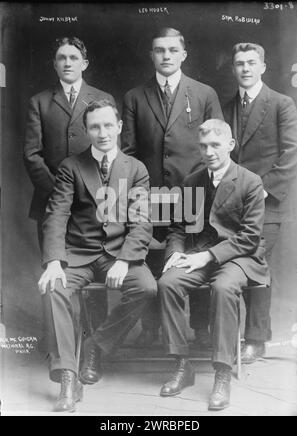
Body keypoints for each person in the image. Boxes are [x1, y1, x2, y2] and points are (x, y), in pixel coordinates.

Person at [38, 100, 157, 412]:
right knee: (54, 288)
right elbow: (57, 215)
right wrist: (53, 262)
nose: (102, 133)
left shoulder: (136, 169)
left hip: (118, 254)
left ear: (118, 127)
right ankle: (68, 377)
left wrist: (124, 259)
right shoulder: (71, 166)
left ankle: (96, 346)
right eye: (95, 127)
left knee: (146, 288)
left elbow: (142, 220)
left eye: (108, 125)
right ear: (86, 130)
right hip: (79, 254)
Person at [157, 119, 270, 410]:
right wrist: (174, 254)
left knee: (222, 288)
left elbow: (250, 237)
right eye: (204, 146)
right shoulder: (192, 181)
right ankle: (182, 364)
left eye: (216, 145)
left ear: (230, 145)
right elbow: (180, 228)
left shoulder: (250, 181)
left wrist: (206, 256)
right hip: (199, 254)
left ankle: (222, 373)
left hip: (239, 257)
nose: (209, 152)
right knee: (168, 282)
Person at [121, 27, 224, 346]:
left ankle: (202, 330)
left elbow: (217, 145)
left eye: (171, 50)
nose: (166, 56)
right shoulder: (135, 96)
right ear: (151, 55)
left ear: (183, 54)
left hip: (195, 194)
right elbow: (127, 150)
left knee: (194, 253)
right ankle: (151, 331)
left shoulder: (204, 93)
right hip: (150, 194)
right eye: (159, 50)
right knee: (151, 258)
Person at [223, 42, 297, 363]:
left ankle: (255, 338)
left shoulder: (282, 104)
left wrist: (262, 190)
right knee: (231, 267)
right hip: (230, 204)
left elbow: (292, 153)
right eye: (239, 63)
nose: (245, 68)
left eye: (251, 62)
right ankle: (227, 335)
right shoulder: (227, 107)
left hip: (266, 204)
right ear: (234, 68)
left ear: (263, 67)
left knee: (256, 265)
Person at [24, 36, 115, 247]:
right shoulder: (39, 102)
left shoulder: (104, 99)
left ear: (84, 64)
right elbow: (31, 154)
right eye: (62, 58)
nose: (67, 63)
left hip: (94, 199)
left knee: (92, 264)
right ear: (55, 64)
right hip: (52, 199)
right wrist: (57, 189)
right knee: (54, 265)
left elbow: (110, 151)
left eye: (73, 58)